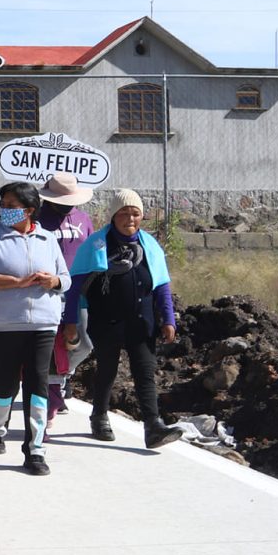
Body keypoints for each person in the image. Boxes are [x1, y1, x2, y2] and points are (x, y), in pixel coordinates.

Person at [63, 189, 184, 451]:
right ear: (113, 215)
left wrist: (168, 319)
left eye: (135, 213)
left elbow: (162, 285)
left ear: (142, 216)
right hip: (107, 321)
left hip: (142, 322)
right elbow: (74, 286)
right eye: (124, 213)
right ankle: (99, 416)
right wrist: (70, 321)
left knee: (145, 372)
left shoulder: (149, 245)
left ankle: (153, 426)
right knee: (107, 370)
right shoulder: (97, 244)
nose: (130, 218)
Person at [0, 181, 71, 475]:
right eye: (3, 205)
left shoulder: (47, 239)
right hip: (4, 323)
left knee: (38, 383)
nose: (5, 211)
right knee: (5, 382)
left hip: (43, 323)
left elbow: (66, 278)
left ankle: (35, 449)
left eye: (11, 206)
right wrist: (14, 283)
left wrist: (54, 282)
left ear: (29, 210)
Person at [36, 172, 96, 417]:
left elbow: (93, 250)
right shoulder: (37, 218)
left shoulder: (83, 218)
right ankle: (54, 389)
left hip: (78, 291)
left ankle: (62, 377)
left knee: (84, 344)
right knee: (51, 345)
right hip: (46, 290)